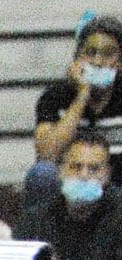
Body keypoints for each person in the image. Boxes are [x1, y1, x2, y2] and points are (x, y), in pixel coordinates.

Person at [15, 132, 122, 260]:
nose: (84, 175)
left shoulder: (118, 215)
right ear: (61, 171)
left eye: (94, 169)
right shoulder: (36, 219)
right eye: (75, 167)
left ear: (107, 175)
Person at [32, 16, 122, 187]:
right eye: (90, 52)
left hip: (116, 190)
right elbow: (47, 155)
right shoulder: (54, 97)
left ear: (120, 62)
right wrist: (82, 95)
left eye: (108, 54)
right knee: (42, 174)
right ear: (77, 58)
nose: (98, 62)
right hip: (67, 191)